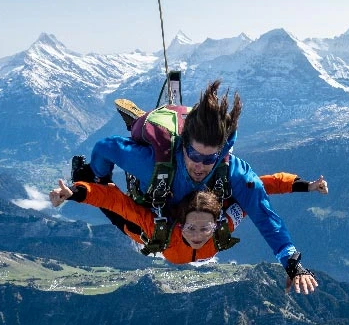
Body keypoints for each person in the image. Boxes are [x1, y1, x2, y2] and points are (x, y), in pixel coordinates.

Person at [89, 80, 318, 294]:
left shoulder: (234, 172)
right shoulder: (151, 164)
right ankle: (139, 123)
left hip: (193, 215)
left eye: (210, 159)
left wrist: (291, 263)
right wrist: (100, 179)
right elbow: (105, 147)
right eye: (194, 155)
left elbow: (264, 214)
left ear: (222, 153)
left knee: (235, 196)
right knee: (139, 231)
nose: (200, 166)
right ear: (184, 146)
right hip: (161, 202)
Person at [48, 173, 327, 266]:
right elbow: (116, 202)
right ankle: (87, 174)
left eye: (204, 228)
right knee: (116, 212)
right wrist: (77, 194)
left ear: (216, 224)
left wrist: (306, 185)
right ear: (179, 223)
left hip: (167, 246)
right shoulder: (159, 227)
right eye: (192, 227)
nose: (197, 234)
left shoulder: (224, 225)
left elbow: (259, 185)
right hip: (138, 230)